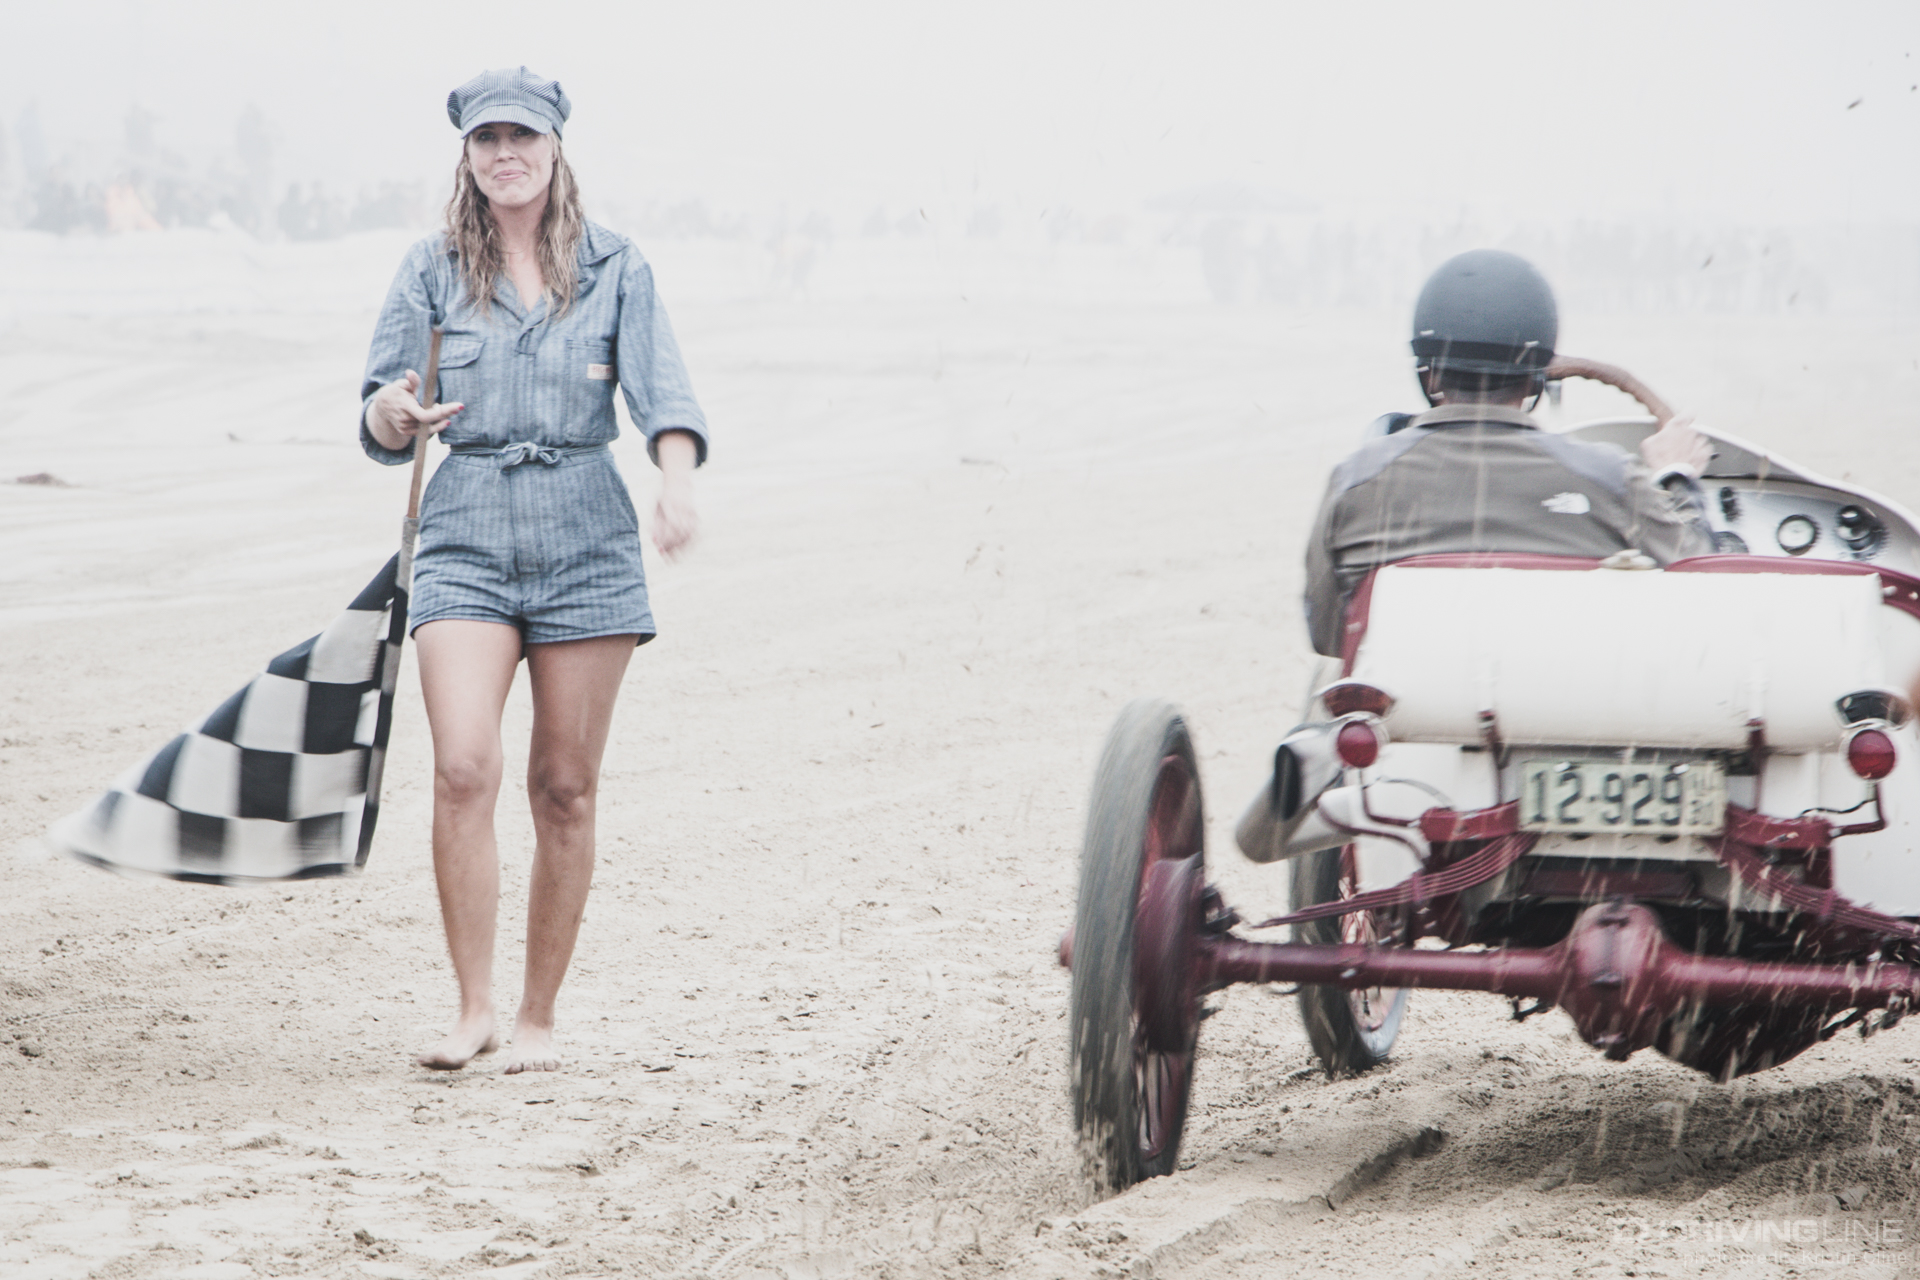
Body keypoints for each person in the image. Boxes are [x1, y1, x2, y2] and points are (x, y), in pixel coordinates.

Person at [358, 67, 709, 1073]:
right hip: (465, 529)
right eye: (486, 139)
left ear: (556, 148)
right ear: (466, 157)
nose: (505, 152)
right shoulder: (431, 269)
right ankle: (471, 1008)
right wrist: (393, 413)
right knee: (464, 766)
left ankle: (537, 1017)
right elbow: (384, 403)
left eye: (523, 136)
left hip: (587, 540)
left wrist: (675, 486)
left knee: (565, 786)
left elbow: (666, 396)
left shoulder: (617, 267)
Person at [1302, 248, 1713, 657]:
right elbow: (1703, 574)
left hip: (1404, 715)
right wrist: (1678, 476)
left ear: (1427, 378)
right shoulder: (1611, 479)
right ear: (1535, 382)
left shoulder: (1355, 479)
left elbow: (1327, 634)